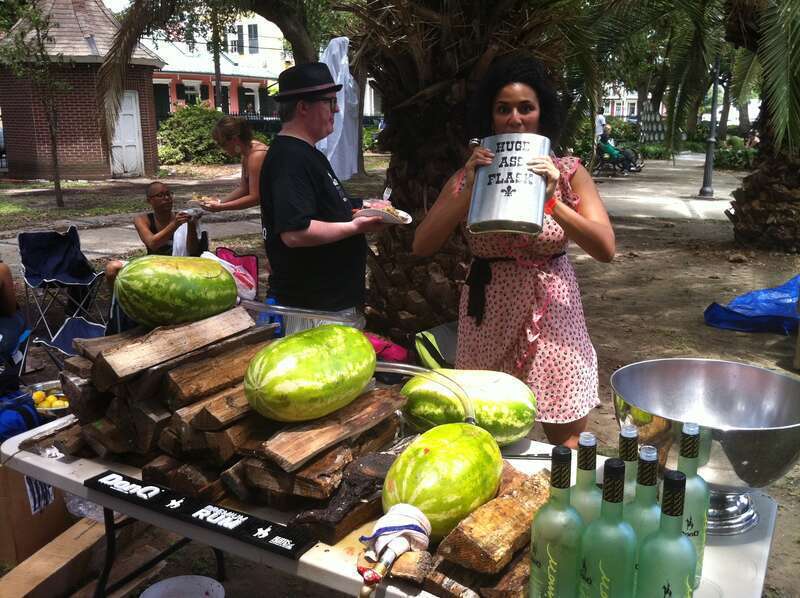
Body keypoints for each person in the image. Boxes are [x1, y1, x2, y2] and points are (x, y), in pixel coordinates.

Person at [413, 55, 615, 448]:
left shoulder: (570, 172)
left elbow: (605, 248)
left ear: (542, 114)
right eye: (503, 109)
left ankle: (564, 502)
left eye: (526, 108)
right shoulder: (469, 175)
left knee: (566, 436)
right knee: (483, 430)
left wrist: (554, 202)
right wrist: (469, 189)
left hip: (554, 315)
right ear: (491, 117)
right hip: (488, 313)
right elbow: (422, 243)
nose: (515, 118)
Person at [259, 62, 385, 334]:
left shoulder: (307, 153)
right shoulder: (290, 158)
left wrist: (366, 206)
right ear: (303, 107)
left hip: (330, 305)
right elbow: (295, 232)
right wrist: (356, 226)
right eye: (330, 102)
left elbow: (327, 206)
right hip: (315, 307)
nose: (336, 109)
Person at [105, 181, 205, 285]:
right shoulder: (142, 219)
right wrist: (174, 224)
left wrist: (192, 225)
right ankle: (118, 301)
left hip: (180, 267)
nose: (166, 198)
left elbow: (192, 250)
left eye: (168, 194)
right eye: (160, 195)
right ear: (149, 201)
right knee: (112, 268)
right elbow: (153, 244)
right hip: (153, 267)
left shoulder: (184, 218)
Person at [200, 117, 268, 213]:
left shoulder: (256, 155)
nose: (221, 149)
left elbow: (256, 198)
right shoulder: (246, 153)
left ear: (235, 139)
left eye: (222, 144)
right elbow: (244, 189)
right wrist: (219, 202)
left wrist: (221, 207)